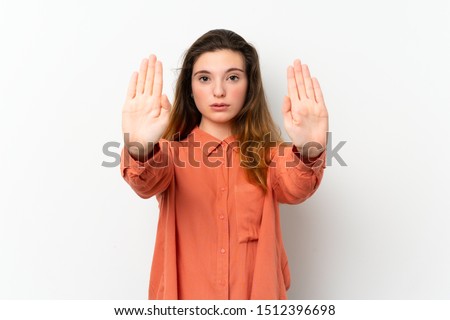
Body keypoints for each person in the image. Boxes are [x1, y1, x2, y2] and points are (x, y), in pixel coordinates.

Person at [120, 29, 328, 300]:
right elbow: (144, 181)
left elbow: (297, 187)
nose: (219, 91)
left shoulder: (271, 157)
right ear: (190, 90)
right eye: (204, 78)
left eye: (232, 77)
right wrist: (139, 146)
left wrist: (310, 148)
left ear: (249, 87)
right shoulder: (168, 155)